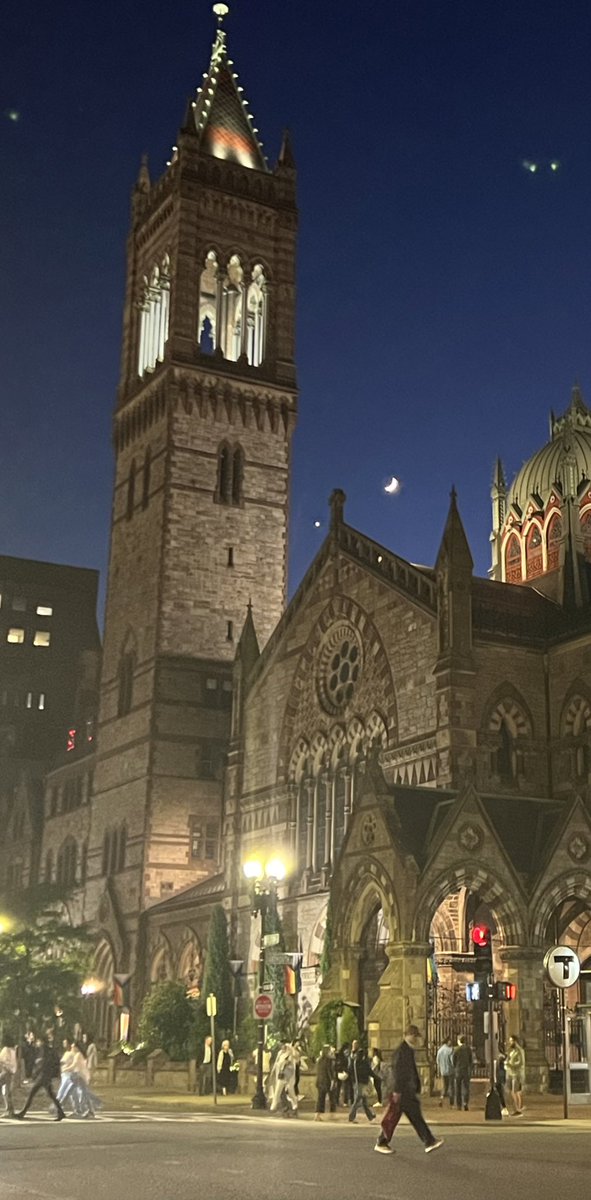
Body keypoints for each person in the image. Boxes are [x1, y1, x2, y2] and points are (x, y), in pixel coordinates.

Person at [374, 1025, 443, 1155]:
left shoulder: (406, 1050)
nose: (417, 1039)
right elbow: (398, 1073)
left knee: (399, 1117)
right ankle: (428, 1141)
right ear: (410, 1035)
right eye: (415, 1036)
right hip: (403, 1091)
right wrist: (397, 1091)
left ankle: (383, 1141)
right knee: (405, 1117)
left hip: (405, 1090)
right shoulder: (402, 1051)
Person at [15, 1035, 65, 1121]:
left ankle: (23, 1112)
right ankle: (61, 1112)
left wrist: (36, 1071)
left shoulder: (43, 1049)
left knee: (32, 1093)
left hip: (42, 1076)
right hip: (46, 1075)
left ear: (41, 1042)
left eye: (38, 1041)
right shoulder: (49, 1049)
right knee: (51, 1095)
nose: (37, 1043)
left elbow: (42, 1062)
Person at [348, 1040, 376, 1124]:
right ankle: (351, 1117)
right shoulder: (358, 1061)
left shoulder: (356, 1061)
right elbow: (368, 1071)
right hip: (359, 1082)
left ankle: (370, 1116)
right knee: (357, 1099)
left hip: (359, 1082)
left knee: (364, 1101)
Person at [269, 1042, 298, 1115]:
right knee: (277, 1091)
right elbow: (277, 1063)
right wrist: (273, 1071)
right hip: (281, 1075)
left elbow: (296, 1058)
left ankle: (295, 1105)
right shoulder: (281, 1054)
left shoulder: (291, 1055)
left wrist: (292, 1049)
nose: (284, 1047)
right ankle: (273, 1107)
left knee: (291, 1092)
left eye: (285, 1046)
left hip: (289, 1076)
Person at [314, 1044, 336, 1120]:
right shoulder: (328, 1060)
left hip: (319, 1081)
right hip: (326, 1081)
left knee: (320, 1098)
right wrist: (332, 1080)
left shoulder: (319, 1060)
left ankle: (317, 1115)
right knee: (330, 1097)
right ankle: (330, 1114)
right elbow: (329, 1071)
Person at [506, 1035, 526, 1115]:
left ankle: (518, 1109)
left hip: (517, 1074)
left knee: (516, 1091)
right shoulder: (512, 1051)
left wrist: (511, 1064)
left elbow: (521, 1063)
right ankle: (517, 1107)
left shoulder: (520, 1051)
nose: (510, 1042)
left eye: (511, 1041)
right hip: (511, 1073)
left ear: (515, 1041)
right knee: (513, 1092)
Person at [453, 1035, 473, 1111]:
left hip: (458, 1070)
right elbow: (471, 1060)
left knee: (458, 1088)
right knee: (466, 1087)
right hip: (466, 1070)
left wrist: (456, 1067)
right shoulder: (468, 1049)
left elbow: (453, 1061)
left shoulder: (456, 1049)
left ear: (458, 1041)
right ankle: (465, 1103)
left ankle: (458, 1105)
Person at [0, 1034, 17, 1118]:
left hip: (5, 1071)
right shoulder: (13, 1050)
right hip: (10, 1072)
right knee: (6, 1091)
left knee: (6, 1092)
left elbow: (1, 1060)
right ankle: (10, 1110)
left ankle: (9, 1110)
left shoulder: (5, 1049)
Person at [436, 1037, 454, 1107]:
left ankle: (441, 1100)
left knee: (444, 1086)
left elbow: (437, 1061)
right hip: (450, 1071)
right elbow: (452, 1061)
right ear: (447, 1041)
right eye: (450, 1041)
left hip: (443, 1071)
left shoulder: (439, 1050)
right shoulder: (450, 1050)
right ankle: (451, 1103)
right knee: (451, 1086)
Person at [496, 1051, 509, 1116]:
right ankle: (502, 1107)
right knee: (500, 1094)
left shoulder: (500, 1061)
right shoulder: (501, 1061)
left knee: (500, 1094)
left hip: (499, 1080)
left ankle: (504, 1107)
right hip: (499, 1079)